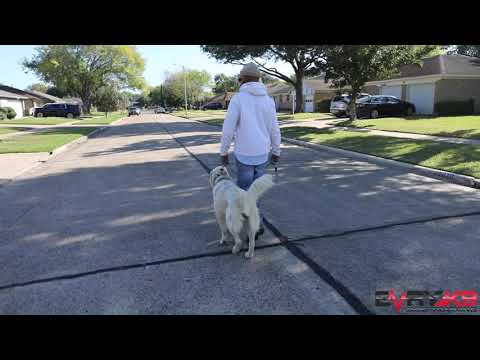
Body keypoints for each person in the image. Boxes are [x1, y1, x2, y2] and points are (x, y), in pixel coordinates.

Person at [219, 62, 281, 235]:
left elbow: (228, 129)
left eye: (240, 79)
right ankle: (257, 222)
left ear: (244, 79)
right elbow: (274, 128)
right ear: (258, 79)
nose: (239, 82)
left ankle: (248, 228)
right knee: (255, 192)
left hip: (244, 155)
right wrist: (276, 151)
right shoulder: (268, 101)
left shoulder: (238, 99)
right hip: (262, 154)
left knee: (245, 191)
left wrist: (223, 152)